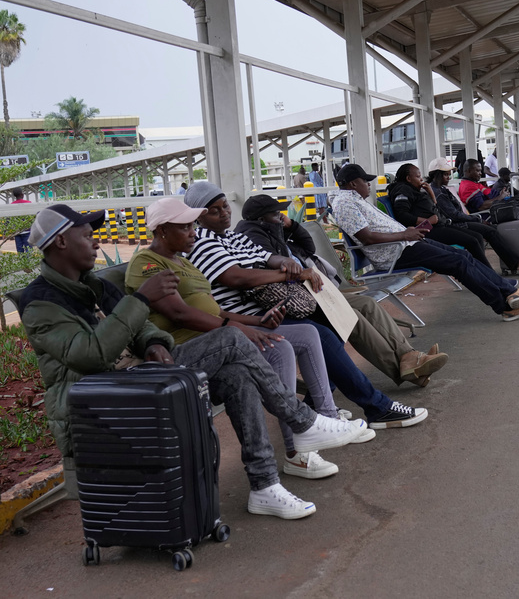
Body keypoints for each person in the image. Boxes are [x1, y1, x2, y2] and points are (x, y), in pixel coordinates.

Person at [19, 204, 367, 520]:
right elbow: (90, 355)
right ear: (61, 241)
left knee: (235, 376)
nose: (96, 243)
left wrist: (155, 342)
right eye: (87, 236)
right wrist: (141, 299)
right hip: (100, 398)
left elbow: (141, 328)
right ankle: (302, 421)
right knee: (232, 337)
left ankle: (264, 486)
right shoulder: (41, 303)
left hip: (141, 377)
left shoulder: (92, 284)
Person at [126, 197, 362, 481]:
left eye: (192, 225)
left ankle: (286, 461)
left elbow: (215, 309)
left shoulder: (184, 263)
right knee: (237, 338)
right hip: (183, 349)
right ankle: (303, 422)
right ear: (162, 230)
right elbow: (180, 314)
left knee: (283, 342)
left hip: (216, 340)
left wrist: (256, 322)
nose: (193, 232)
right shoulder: (146, 262)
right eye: (185, 227)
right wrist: (234, 327)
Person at [183, 181, 429, 428]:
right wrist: (292, 274)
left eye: (225, 206)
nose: (224, 212)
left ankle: (316, 405)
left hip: (272, 309)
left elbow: (266, 256)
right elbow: (235, 277)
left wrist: (286, 263)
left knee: (334, 323)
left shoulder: (233, 237)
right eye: (214, 211)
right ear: (197, 217)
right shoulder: (203, 242)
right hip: (251, 318)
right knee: (322, 334)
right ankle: (377, 407)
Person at [235, 193, 449, 386]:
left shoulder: (272, 229)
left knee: (367, 304)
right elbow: (277, 267)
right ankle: (409, 372)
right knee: (352, 318)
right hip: (297, 299)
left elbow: (307, 248)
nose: (281, 216)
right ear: (261, 218)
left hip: (314, 290)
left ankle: (409, 356)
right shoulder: (253, 235)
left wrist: (290, 225)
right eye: (276, 214)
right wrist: (285, 244)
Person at [331, 164, 519, 322]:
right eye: (364, 181)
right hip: (395, 252)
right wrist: (404, 235)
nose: (369, 184)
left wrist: (408, 234)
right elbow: (367, 238)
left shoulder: (354, 200)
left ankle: (508, 291)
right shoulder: (345, 203)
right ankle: (504, 306)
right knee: (458, 262)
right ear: (352, 184)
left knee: (463, 256)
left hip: (406, 244)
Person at [426, 157, 519, 274]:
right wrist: (477, 219)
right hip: (459, 223)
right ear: (437, 175)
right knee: (487, 233)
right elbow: (455, 215)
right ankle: (506, 266)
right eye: (446, 174)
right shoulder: (439, 192)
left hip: (464, 219)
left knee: (492, 230)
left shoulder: (441, 188)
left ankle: (517, 260)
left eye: (449, 174)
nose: (448, 177)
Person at [9, 187, 31, 253]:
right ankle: (28, 263)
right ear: (22, 194)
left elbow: (9, 219)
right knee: (29, 250)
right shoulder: (29, 203)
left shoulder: (11, 205)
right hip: (27, 231)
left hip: (17, 232)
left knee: (20, 251)